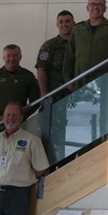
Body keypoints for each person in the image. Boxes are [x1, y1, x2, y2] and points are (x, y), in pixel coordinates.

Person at [35, 10, 75, 160]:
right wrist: (45, 96)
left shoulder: (78, 44)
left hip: (74, 102)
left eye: (67, 21)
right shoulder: (49, 46)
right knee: (51, 142)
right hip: (54, 100)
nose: (64, 24)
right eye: (61, 22)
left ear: (73, 23)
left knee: (72, 140)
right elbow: (41, 70)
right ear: (57, 25)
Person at [63, 0, 108, 90]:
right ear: (87, 8)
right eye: (92, 4)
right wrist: (68, 80)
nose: (95, 7)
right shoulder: (78, 29)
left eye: (99, 5)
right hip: (80, 81)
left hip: (103, 81)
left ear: (104, 8)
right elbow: (69, 56)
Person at [0, 44, 40, 132]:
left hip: (19, 126)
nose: (11, 59)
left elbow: (36, 101)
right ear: (3, 57)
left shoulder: (28, 77)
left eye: (15, 56)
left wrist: (21, 117)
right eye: (8, 56)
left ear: (20, 57)